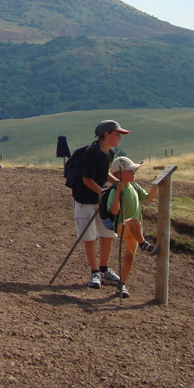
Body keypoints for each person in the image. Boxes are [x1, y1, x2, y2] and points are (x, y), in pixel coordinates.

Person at [70, 119, 128, 289]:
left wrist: (116, 183)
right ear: (106, 135)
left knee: (107, 232)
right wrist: (103, 193)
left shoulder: (109, 153)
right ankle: (94, 271)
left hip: (100, 200)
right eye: (117, 134)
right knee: (89, 235)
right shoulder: (91, 152)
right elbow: (87, 179)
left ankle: (104, 269)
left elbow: (105, 172)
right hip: (85, 200)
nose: (120, 138)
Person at [103, 156, 160, 299]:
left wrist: (155, 186)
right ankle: (144, 244)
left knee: (129, 257)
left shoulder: (134, 186)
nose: (134, 174)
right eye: (131, 172)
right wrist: (117, 194)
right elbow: (114, 211)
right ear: (119, 174)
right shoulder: (115, 189)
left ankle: (121, 285)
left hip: (134, 231)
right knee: (134, 221)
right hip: (122, 226)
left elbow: (148, 198)